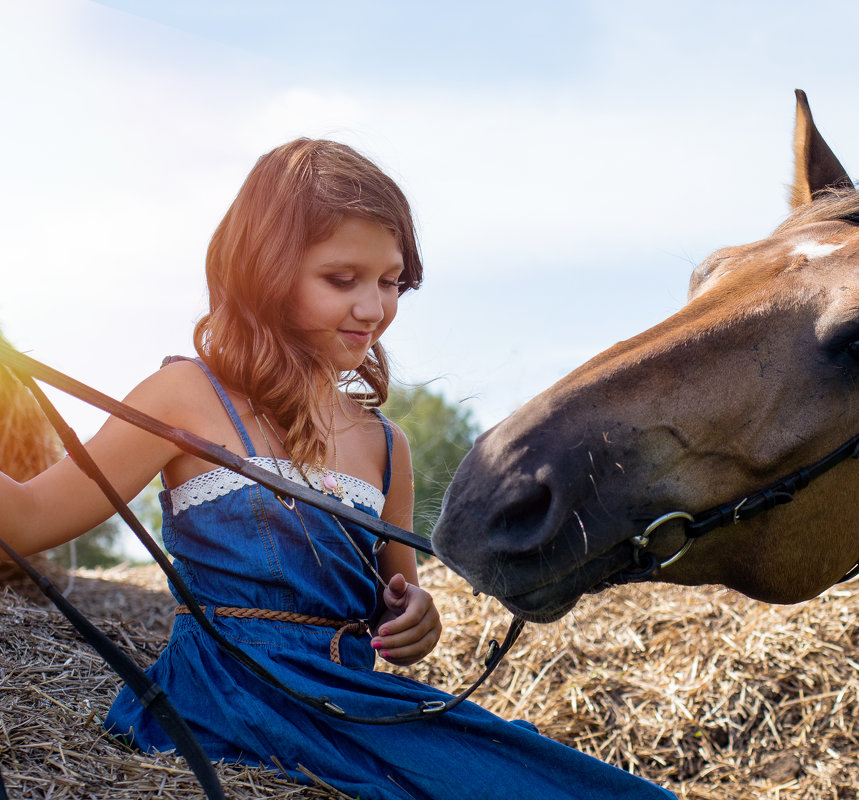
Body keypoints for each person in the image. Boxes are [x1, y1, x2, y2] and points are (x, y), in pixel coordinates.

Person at [0, 139, 673, 800]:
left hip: (354, 698)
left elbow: (396, 598)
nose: (373, 308)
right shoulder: (185, 397)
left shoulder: (386, 445)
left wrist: (417, 618)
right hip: (229, 691)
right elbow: (31, 519)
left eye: (390, 282)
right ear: (264, 273)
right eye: (341, 280)